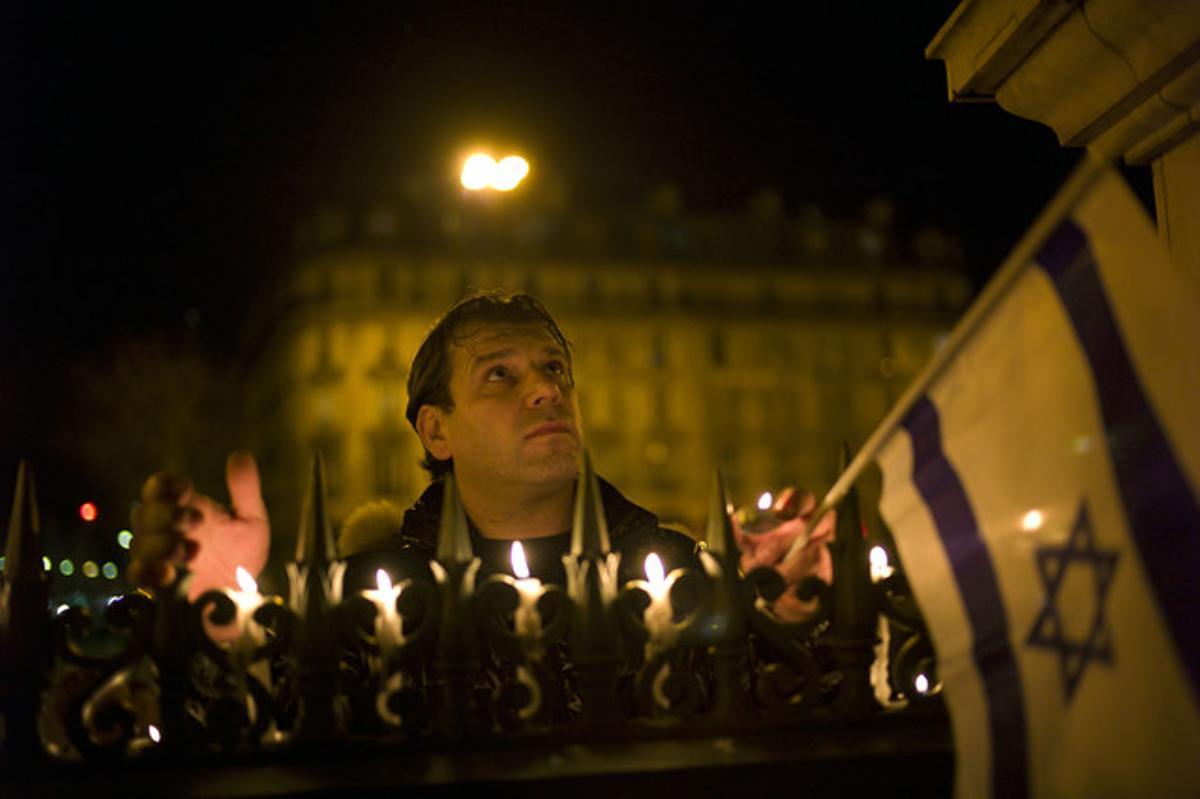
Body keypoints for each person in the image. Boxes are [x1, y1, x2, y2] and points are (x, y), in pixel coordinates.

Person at [130, 291, 832, 620]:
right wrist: (216, 625)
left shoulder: (678, 571)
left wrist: (783, 613)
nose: (545, 391)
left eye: (555, 369)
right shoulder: (360, 596)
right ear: (437, 431)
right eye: (501, 373)